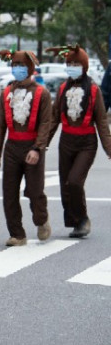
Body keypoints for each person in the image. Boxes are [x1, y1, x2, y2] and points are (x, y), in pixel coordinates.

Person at [44, 45, 111, 238]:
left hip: (87, 143)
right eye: (69, 63)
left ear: (84, 66)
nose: (72, 66)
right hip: (66, 141)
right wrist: (42, 144)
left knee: (74, 181)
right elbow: (55, 117)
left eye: (76, 63)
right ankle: (75, 222)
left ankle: (83, 219)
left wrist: (109, 148)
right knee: (65, 184)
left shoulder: (93, 89)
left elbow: (101, 121)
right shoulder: (63, 88)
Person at [0, 50, 55, 246]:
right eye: (14, 65)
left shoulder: (41, 93)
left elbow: (46, 124)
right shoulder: (6, 92)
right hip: (12, 147)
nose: (17, 69)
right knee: (9, 192)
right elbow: (1, 124)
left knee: (35, 191)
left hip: (32, 147)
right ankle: (17, 234)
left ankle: (41, 220)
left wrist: (37, 148)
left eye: (21, 66)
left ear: (30, 68)